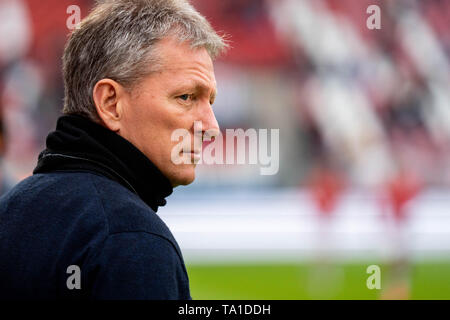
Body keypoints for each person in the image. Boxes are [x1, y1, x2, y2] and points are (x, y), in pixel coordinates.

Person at [0, 0, 226, 299]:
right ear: (110, 102)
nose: (211, 127)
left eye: (209, 102)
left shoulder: (9, 211)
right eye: (186, 97)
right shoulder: (130, 241)